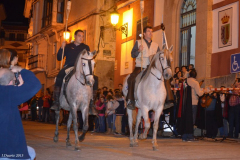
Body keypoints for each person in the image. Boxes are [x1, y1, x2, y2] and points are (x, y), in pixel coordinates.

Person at [126, 25, 173, 110]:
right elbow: (132, 54)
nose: (151, 33)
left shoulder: (155, 45)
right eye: (148, 31)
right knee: (131, 79)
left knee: (165, 77)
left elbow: (159, 56)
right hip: (140, 66)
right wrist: (138, 50)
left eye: (151, 32)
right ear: (144, 34)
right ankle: (131, 100)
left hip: (151, 68)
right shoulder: (138, 42)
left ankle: (168, 100)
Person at [0, 66, 41, 160]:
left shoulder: (7, 93)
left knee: (31, 151)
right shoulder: (9, 93)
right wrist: (21, 70)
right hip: (6, 152)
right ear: (11, 82)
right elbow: (35, 85)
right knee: (29, 153)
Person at [51, 30, 90, 111]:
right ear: (74, 36)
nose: (81, 38)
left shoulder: (85, 47)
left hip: (81, 68)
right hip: (69, 67)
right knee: (59, 76)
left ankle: (91, 103)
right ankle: (56, 101)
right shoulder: (68, 46)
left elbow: (88, 58)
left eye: (82, 36)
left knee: (94, 79)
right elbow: (59, 57)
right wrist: (62, 47)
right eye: (79, 36)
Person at [177, 69, 204, 142]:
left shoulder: (185, 82)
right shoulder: (195, 83)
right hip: (193, 103)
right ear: (195, 75)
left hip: (185, 103)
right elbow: (199, 93)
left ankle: (184, 136)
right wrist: (205, 90)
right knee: (192, 120)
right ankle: (190, 136)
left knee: (186, 119)